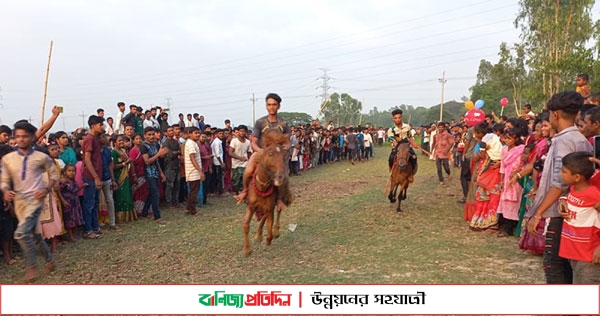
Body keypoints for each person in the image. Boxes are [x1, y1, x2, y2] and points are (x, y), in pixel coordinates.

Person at [527, 91, 592, 284]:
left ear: (554, 114)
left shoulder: (564, 141)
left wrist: (538, 213)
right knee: (564, 263)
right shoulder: (579, 139)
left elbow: (559, 182)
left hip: (559, 212)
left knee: (553, 263)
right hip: (571, 208)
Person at [1, 121, 56, 281]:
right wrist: (5, 191)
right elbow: (4, 179)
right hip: (19, 202)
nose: (21, 140)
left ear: (32, 137)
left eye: (25, 136)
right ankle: (50, 260)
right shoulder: (8, 159)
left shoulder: (41, 157)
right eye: (17, 136)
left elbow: (54, 175)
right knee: (35, 236)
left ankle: (32, 267)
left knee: (20, 234)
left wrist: (46, 189)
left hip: (36, 200)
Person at [234, 93, 290, 211]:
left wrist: (285, 148)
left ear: (279, 106)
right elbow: (253, 141)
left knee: (283, 176)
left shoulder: (284, 123)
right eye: (269, 105)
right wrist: (260, 151)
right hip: (261, 153)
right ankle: (244, 191)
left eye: (274, 105)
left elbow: (287, 141)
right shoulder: (260, 122)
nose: (271, 107)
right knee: (248, 171)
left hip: (277, 155)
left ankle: (279, 199)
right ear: (266, 106)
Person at [557, 151, 600, 283]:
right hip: (574, 251)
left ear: (577, 177)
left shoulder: (594, 194)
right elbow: (567, 196)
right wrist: (562, 201)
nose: (560, 174)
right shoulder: (573, 188)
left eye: (564, 172)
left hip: (589, 255)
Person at [496, 128, 525, 237]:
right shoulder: (504, 150)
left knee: (515, 202)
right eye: (505, 138)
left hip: (517, 178)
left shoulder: (521, 149)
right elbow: (502, 167)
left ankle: (511, 227)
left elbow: (524, 164)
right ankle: (503, 226)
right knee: (505, 202)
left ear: (516, 138)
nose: (506, 141)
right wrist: (501, 180)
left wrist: (517, 173)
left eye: (509, 138)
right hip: (507, 178)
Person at [81, 115, 105, 239]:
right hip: (90, 176)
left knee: (95, 203)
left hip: (96, 175)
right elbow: (87, 159)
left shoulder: (95, 139)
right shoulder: (89, 139)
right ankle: (88, 230)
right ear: (93, 125)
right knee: (89, 204)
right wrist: (95, 177)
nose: (102, 127)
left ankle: (95, 227)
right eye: (100, 125)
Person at [140, 127, 168, 223]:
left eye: (153, 134)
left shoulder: (155, 145)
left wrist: (161, 173)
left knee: (152, 194)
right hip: (148, 173)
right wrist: (158, 154)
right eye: (149, 135)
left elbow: (156, 161)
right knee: (155, 194)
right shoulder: (144, 147)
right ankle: (157, 216)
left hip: (155, 173)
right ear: (145, 136)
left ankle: (144, 212)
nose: (151, 136)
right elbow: (147, 161)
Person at [387, 109, 417, 182]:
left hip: (407, 147)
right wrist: (399, 147)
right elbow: (393, 141)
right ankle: (392, 172)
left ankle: (411, 174)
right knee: (391, 158)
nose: (397, 120)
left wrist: (414, 143)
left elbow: (410, 137)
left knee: (414, 157)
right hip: (396, 148)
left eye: (399, 117)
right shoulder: (391, 130)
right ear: (393, 119)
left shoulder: (407, 127)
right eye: (395, 118)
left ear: (402, 117)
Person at [111, 135, 136, 223]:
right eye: (119, 141)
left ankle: (128, 217)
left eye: (122, 140)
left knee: (127, 195)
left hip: (126, 176)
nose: (121, 142)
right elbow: (113, 166)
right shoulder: (113, 152)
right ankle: (120, 218)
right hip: (118, 177)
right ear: (114, 143)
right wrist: (125, 163)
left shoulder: (123, 151)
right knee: (120, 196)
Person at [99, 133, 119, 231]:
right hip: (97, 179)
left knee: (110, 201)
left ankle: (112, 223)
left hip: (107, 178)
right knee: (96, 203)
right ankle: (96, 226)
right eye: (103, 136)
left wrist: (113, 179)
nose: (106, 138)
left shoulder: (107, 150)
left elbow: (110, 164)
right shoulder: (93, 151)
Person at [59, 164, 84, 241]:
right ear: (65, 172)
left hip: (75, 202)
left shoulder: (73, 181)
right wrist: (63, 201)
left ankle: (74, 234)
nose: (71, 173)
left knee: (75, 218)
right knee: (69, 219)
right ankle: (70, 236)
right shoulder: (63, 182)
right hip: (68, 203)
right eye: (69, 171)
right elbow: (58, 191)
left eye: (73, 171)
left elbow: (75, 190)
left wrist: (82, 187)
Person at [184, 127, 205, 216]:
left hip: (193, 171)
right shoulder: (190, 144)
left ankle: (189, 208)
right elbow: (192, 158)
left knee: (193, 190)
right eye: (195, 133)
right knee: (194, 191)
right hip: (193, 171)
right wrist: (200, 171)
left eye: (198, 133)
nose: (197, 135)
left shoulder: (193, 143)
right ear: (190, 134)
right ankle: (192, 210)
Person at [229, 125, 251, 194]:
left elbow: (249, 152)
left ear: (246, 132)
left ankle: (243, 193)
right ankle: (237, 193)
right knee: (235, 181)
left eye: (243, 131)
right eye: (240, 131)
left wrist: (250, 161)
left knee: (244, 180)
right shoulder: (234, 141)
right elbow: (230, 153)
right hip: (236, 164)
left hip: (245, 164)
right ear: (238, 132)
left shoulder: (248, 142)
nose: (242, 133)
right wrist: (240, 158)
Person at [162, 125, 181, 207]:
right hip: (169, 166)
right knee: (170, 185)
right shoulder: (165, 143)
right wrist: (176, 152)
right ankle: (168, 202)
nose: (172, 132)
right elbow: (169, 154)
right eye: (169, 131)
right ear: (166, 133)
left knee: (177, 184)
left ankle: (175, 201)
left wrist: (175, 152)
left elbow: (180, 151)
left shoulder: (175, 141)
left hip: (176, 165)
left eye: (172, 130)